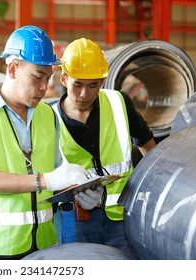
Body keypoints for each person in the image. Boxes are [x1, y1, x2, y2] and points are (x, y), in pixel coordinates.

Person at [0, 26, 89, 260]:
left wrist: (79, 189)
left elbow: (56, 172)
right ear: (12, 69)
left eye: (48, 78)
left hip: (44, 245)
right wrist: (45, 180)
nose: (44, 87)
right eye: (38, 77)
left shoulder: (48, 115)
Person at [54, 38, 156, 256]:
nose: (84, 94)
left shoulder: (119, 103)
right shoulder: (49, 118)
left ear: (102, 81)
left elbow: (147, 144)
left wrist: (153, 189)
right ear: (64, 78)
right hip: (76, 218)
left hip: (120, 216)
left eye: (93, 85)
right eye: (77, 85)